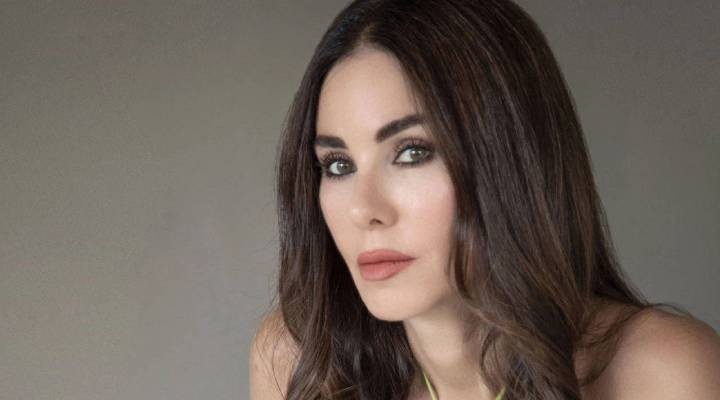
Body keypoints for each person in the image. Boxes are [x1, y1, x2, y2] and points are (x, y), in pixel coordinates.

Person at [250, 0, 720, 399]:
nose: (364, 209)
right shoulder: (297, 362)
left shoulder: (660, 374)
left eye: (413, 153)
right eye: (338, 165)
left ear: (510, 161)